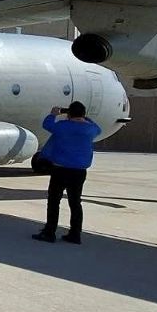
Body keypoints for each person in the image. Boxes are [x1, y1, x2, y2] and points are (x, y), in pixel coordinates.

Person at [32, 102, 102, 245]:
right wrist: (85, 118)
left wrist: (53, 114)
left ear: (69, 113)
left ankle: (50, 232)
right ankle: (75, 234)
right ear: (83, 114)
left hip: (60, 169)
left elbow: (47, 124)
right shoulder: (90, 129)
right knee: (75, 202)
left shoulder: (62, 126)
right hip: (79, 171)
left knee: (54, 201)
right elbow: (98, 128)